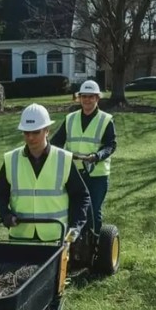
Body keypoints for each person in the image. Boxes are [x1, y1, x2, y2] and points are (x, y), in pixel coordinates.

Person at [0, 103, 91, 310]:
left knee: (51, 292)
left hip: (54, 240)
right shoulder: (11, 159)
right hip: (21, 238)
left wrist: (76, 228)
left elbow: (81, 197)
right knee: (19, 289)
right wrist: (5, 214)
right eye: (26, 133)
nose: (30, 137)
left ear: (47, 130)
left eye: (35, 132)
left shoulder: (63, 159)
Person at [49, 80, 116, 234]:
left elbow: (111, 145)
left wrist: (97, 156)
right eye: (83, 96)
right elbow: (56, 142)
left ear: (97, 98)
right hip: (74, 173)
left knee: (93, 211)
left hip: (97, 175)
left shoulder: (106, 120)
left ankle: (96, 244)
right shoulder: (70, 118)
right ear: (79, 98)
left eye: (90, 97)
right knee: (74, 210)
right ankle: (76, 244)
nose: (86, 100)